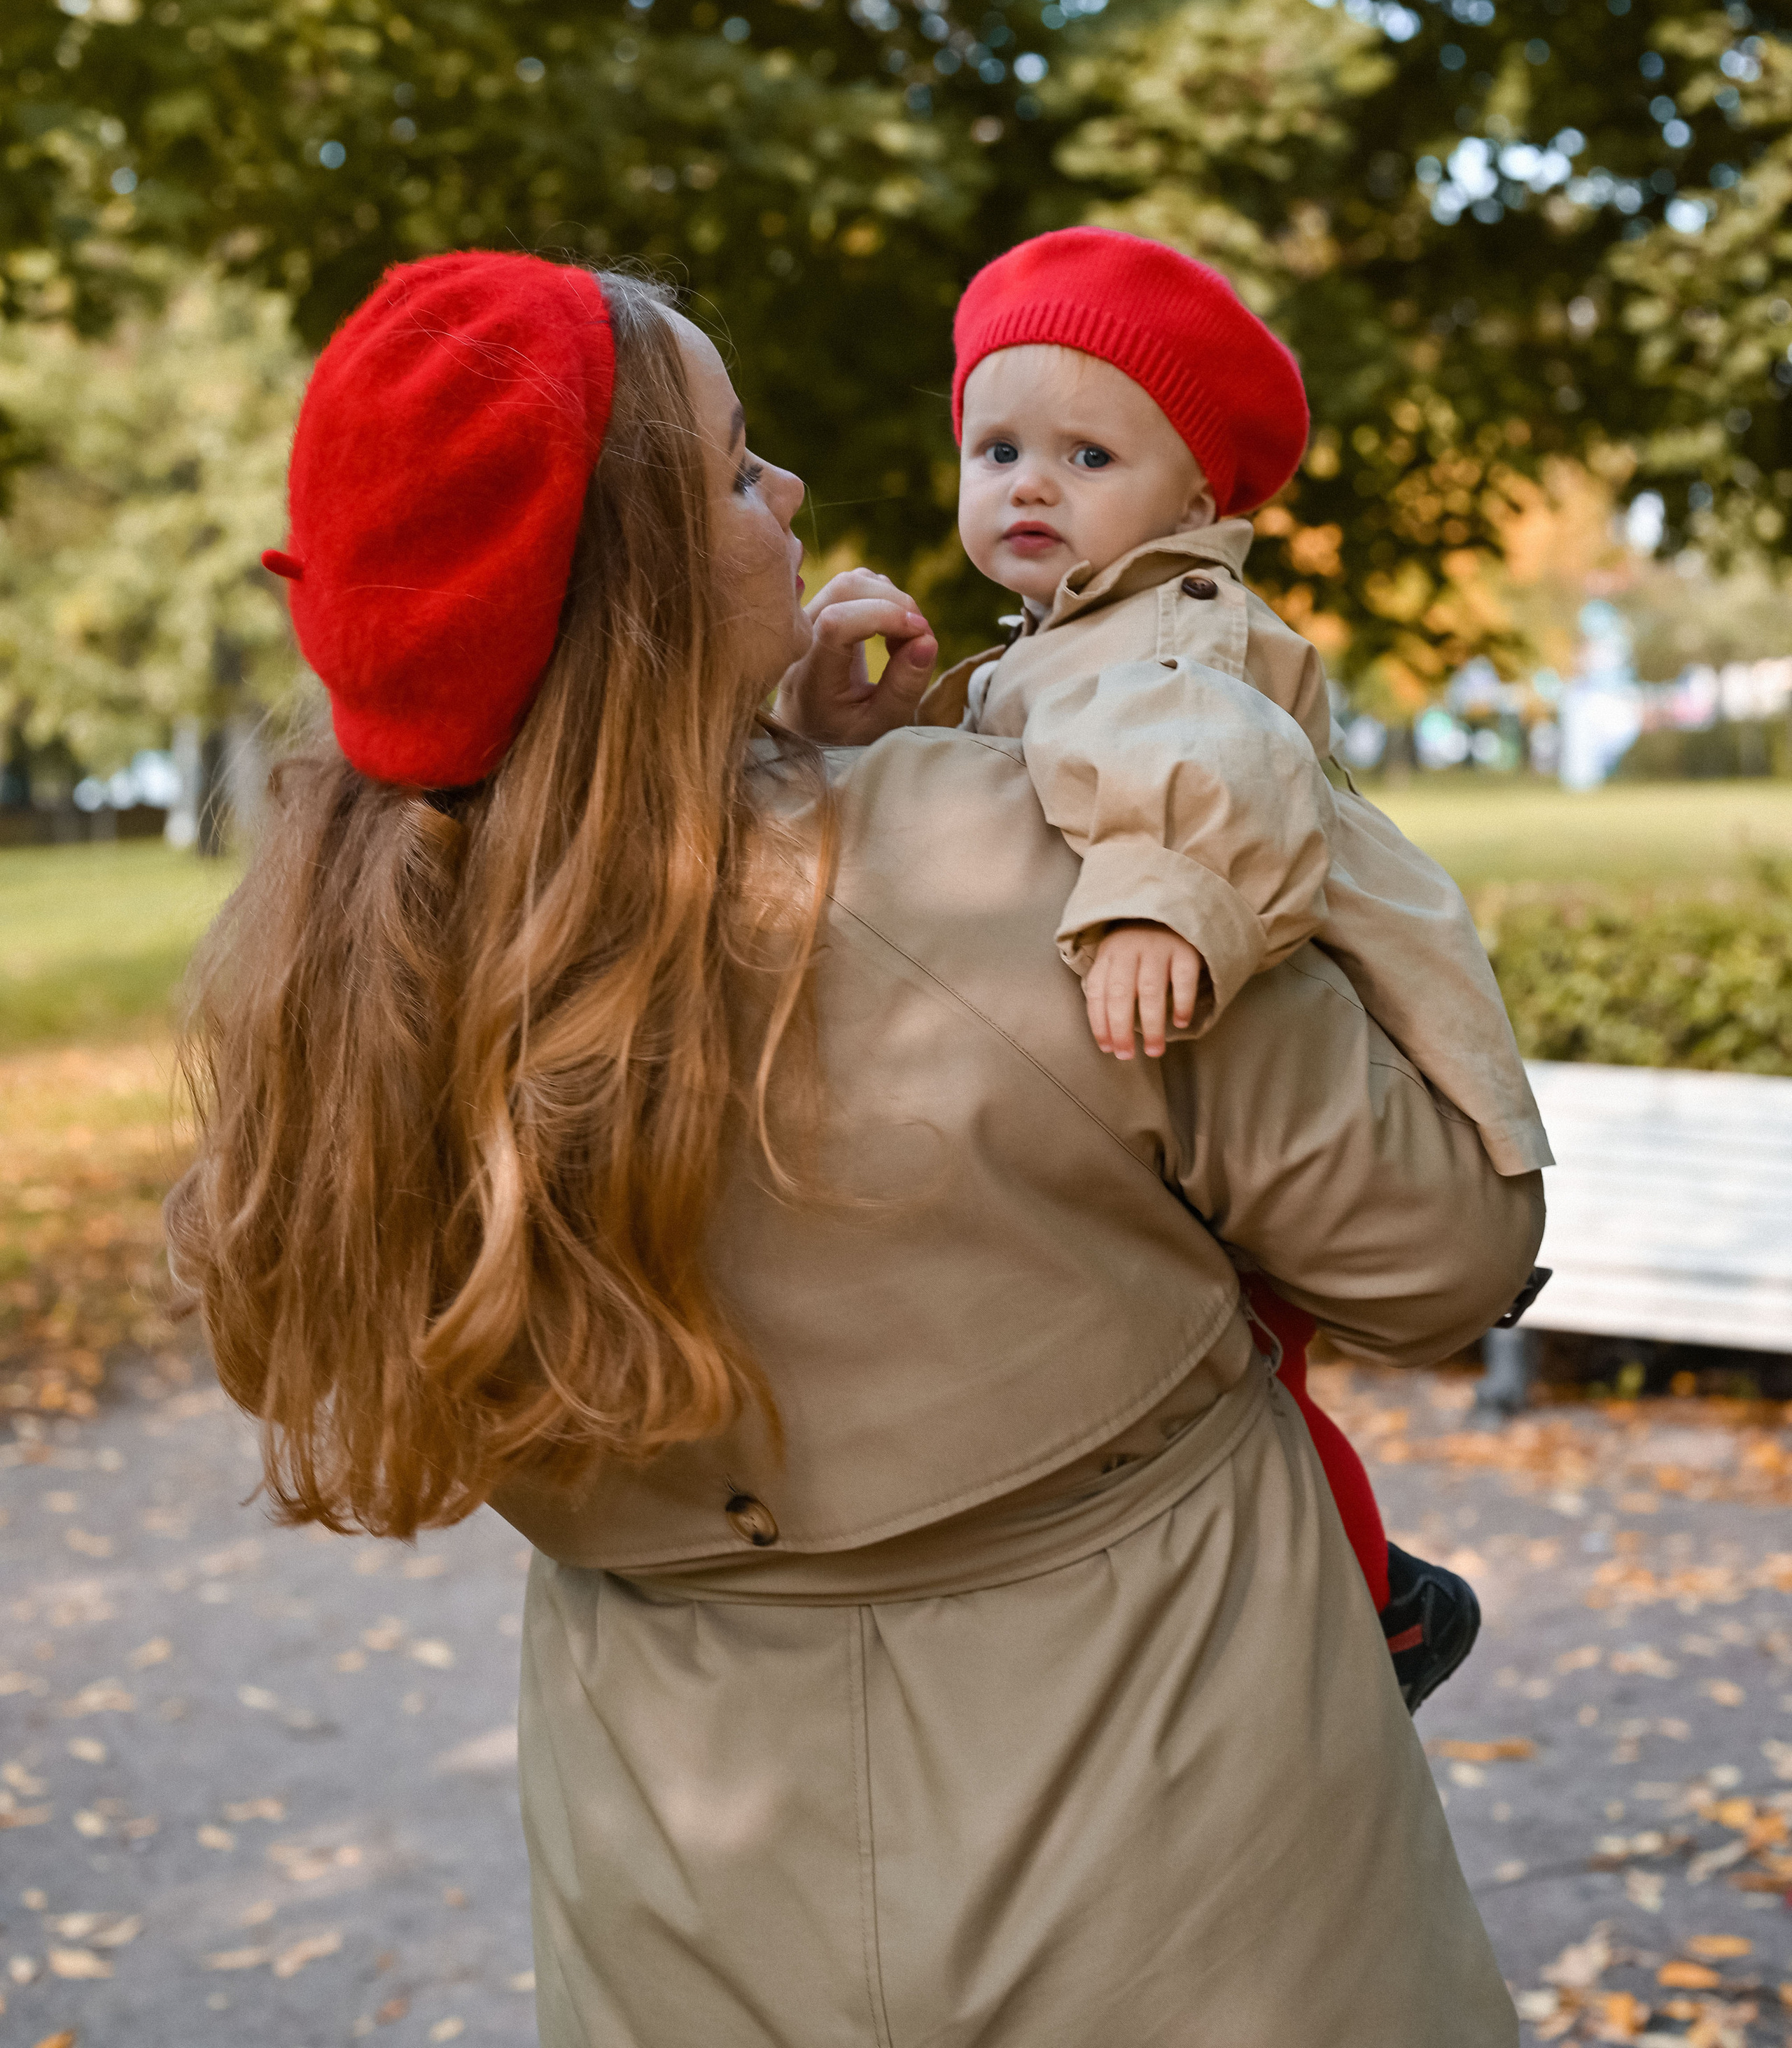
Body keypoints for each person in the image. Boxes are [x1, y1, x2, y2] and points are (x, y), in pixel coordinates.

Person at [170, 249, 1544, 2047]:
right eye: (742, 471)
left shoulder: (356, 973)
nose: (793, 495)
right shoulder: (1022, 860)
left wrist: (773, 744)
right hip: (1190, 1852)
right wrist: (1251, 784)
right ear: (646, 577)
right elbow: (1439, 1249)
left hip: (679, 1880)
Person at [930, 223, 1554, 1699]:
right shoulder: (1058, 634)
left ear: (1196, 497)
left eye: (1087, 457)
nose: (1028, 482)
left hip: (1277, 1050)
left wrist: (1159, 902)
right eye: (997, 446)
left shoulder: (1181, 629)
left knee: (1237, 1368)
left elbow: (1212, 771)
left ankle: (1377, 1608)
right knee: (1218, 1360)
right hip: (1171, 1108)